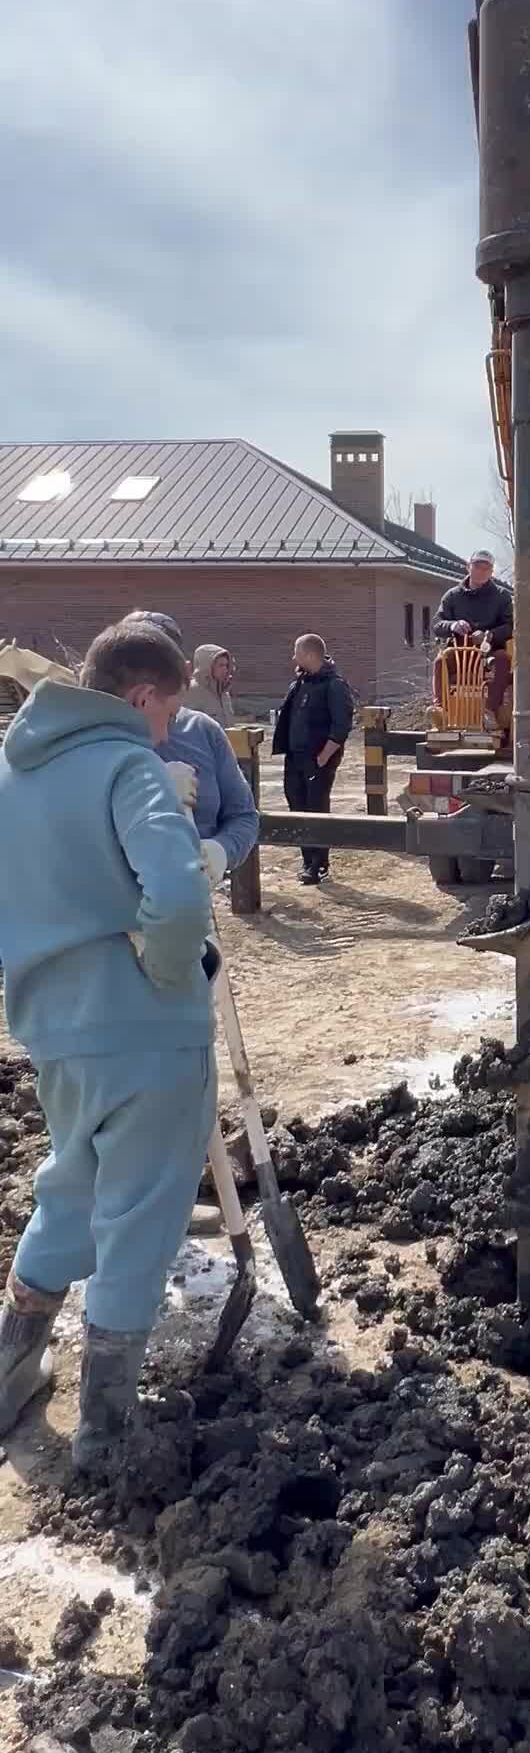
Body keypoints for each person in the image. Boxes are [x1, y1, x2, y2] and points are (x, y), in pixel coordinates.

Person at [0, 621, 218, 1470]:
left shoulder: (15, 770)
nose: (168, 729)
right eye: (168, 710)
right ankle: (107, 1429)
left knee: (72, 1185)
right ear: (138, 697)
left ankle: (13, 1359)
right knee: (142, 1214)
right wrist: (170, 978)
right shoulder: (131, 766)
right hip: (147, 1037)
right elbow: (176, 894)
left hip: (53, 1029)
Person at [122, 613, 258, 888]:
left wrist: (221, 851)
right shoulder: (97, 739)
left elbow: (243, 815)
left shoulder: (203, 731)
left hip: (193, 910)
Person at [271, 634, 355, 884]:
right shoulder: (301, 682)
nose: (292, 657)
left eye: (296, 652)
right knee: (297, 807)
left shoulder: (334, 685)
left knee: (316, 810)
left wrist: (323, 758)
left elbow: (341, 727)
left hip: (317, 759)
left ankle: (318, 864)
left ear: (309, 655)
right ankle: (307, 860)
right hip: (295, 757)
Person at [432, 550, 513, 727]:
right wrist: (453, 625)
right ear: (468, 567)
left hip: (488, 653)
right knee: (441, 661)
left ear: (492, 572)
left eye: (487, 567)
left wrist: (489, 635)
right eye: (477, 566)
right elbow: (437, 624)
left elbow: (510, 627)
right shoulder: (452, 596)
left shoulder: (502, 596)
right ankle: (439, 711)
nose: (481, 571)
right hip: (459, 652)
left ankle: (489, 711)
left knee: (503, 660)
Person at [187, 644, 236, 728]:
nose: (225, 669)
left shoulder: (224, 693)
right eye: (220, 665)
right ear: (207, 666)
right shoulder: (192, 691)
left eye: (226, 665)